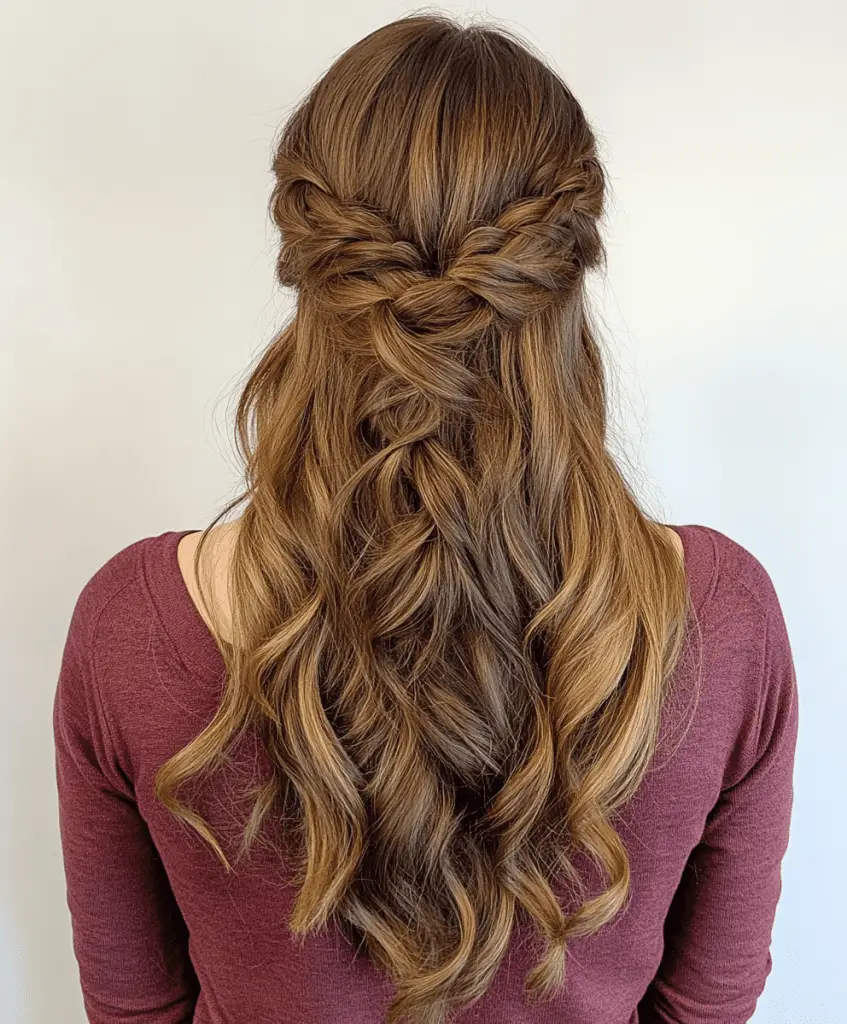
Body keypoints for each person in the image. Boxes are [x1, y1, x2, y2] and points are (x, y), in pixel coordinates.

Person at [53, 13, 799, 1024]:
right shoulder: (723, 622)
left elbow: (135, 1009)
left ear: (307, 263)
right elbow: (706, 1006)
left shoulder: (131, 629)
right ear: (566, 267)